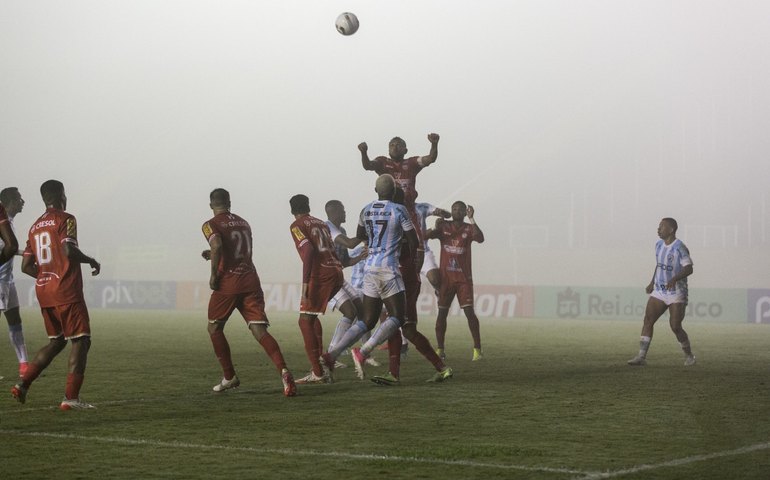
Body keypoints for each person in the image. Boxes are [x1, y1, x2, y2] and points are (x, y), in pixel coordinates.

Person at [320, 175, 453, 384]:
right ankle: (364, 352)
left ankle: (331, 355)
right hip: (390, 270)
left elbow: (361, 236)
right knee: (399, 321)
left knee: (369, 320)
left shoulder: (365, 209)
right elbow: (414, 242)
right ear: (393, 193)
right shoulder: (400, 211)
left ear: (376, 190)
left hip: (370, 269)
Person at [12, 180, 100, 410]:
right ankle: (70, 398)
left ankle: (23, 384)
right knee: (81, 340)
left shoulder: (34, 227)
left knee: (57, 341)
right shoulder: (66, 219)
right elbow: (68, 250)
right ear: (61, 195)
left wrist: (46, 276)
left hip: (44, 290)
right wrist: (90, 260)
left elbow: (26, 266)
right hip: (66, 290)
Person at [201, 189, 296, 396]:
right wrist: (214, 255)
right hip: (251, 281)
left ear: (211, 205)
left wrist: (214, 275)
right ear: (230, 203)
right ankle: (284, 370)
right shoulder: (244, 222)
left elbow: (217, 244)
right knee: (260, 331)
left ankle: (229, 376)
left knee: (214, 328)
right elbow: (235, 249)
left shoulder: (210, 224)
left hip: (228, 284)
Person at [370, 188, 453, 386]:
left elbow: (417, 248)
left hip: (401, 281)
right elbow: (419, 248)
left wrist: (408, 273)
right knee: (406, 329)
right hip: (405, 279)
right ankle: (441, 368)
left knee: (395, 325)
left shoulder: (399, 221)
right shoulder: (403, 219)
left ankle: (395, 373)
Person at [289, 194, 344, 384]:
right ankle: (321, 361)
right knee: (311, 317)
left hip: (321, 275)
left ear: (292, 210)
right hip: (336, 271)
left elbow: (308, 251)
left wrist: (305, 283)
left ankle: (318, 372)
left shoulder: (297, 225)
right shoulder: (321, 223)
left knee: (304, 321)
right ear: (308, 206)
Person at [627, 217, 696, 367]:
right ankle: (641, 356)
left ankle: (689, 355)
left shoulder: (680, 247)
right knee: (648, 320)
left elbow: (689, 268)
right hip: (659, 290)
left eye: (661, 227)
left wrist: (675, 279)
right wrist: (652, 282)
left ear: (671, 230)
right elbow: (659, 265)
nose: (658, 229)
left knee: (675, 326)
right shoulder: (658, 245)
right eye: (658, 226)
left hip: (676, 292)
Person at [425, 201, 485, 361]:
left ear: (465, 212)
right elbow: (425, 236)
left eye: (460, 209)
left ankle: (477, 349)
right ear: (451, 211)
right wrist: (435, 227)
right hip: (446, 280)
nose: (456, 211)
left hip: (464, 280)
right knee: (442, 314)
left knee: (469, 313)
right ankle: (440, 349)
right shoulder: (444, 226)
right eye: (454, 209)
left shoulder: (468, 228)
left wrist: (472, 220)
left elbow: (480, 238)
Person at [323, 200, 379, 369]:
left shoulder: (342, 230)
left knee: (362, 312)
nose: (345, 213)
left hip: (338, 276)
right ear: (333, 212)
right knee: (349, 312)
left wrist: (360, 257)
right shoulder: (328, 227)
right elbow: (349, 243)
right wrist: (368, 234)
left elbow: (345, 261)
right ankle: (331, 353)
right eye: (343, 210)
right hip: (327, 278)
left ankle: (364, 353)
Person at [0, 187, 29, 377]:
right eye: (19, 198)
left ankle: (24, 364)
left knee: (15, 320)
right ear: (9, 202)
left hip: (7, 281)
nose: (22, 201)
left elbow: (9, 247)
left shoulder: (9, 222)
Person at [414, 201, 451, 291]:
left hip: (424, 252)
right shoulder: (395, 210)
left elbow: (448, 215)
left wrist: (442, 213)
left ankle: (441, 298)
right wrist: (434, 228)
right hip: (403, 254)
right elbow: (419, 237)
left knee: (436, 280)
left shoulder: (422, 207)